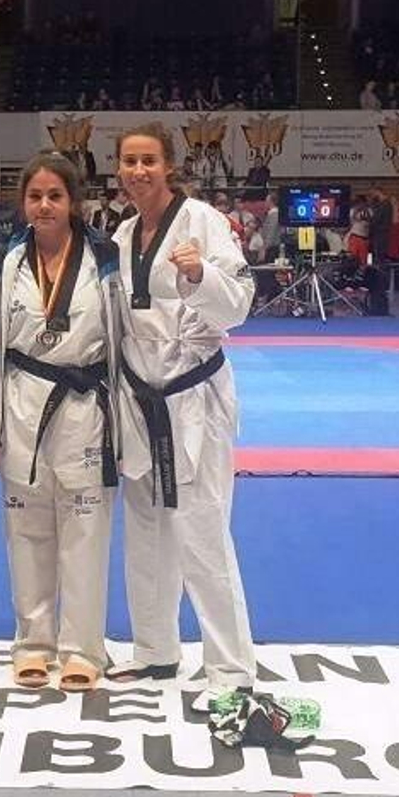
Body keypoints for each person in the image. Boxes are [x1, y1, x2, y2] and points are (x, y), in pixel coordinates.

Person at [104, 122, 257, 713]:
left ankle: (230, 668)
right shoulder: (119, 235)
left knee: (202, 532)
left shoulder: (203, 222)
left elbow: (239, 304)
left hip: (194, 399)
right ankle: (155, 651)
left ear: (169, 165)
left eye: (148, 160)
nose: (138, 171)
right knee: (145, 531)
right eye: (128, 161)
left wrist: (200, 276)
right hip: (140, 402)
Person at [0, 151, 120, 692]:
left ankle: (83, 650)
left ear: (73, 202)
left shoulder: (104, 258)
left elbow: (121, 338)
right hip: (21, 402)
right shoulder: (7, 258)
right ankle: (33, 645)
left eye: (55, 196)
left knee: (86, 532)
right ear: (24, 203)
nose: (44, 205)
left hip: (85, 404)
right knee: (27, 530)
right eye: (35, 196)